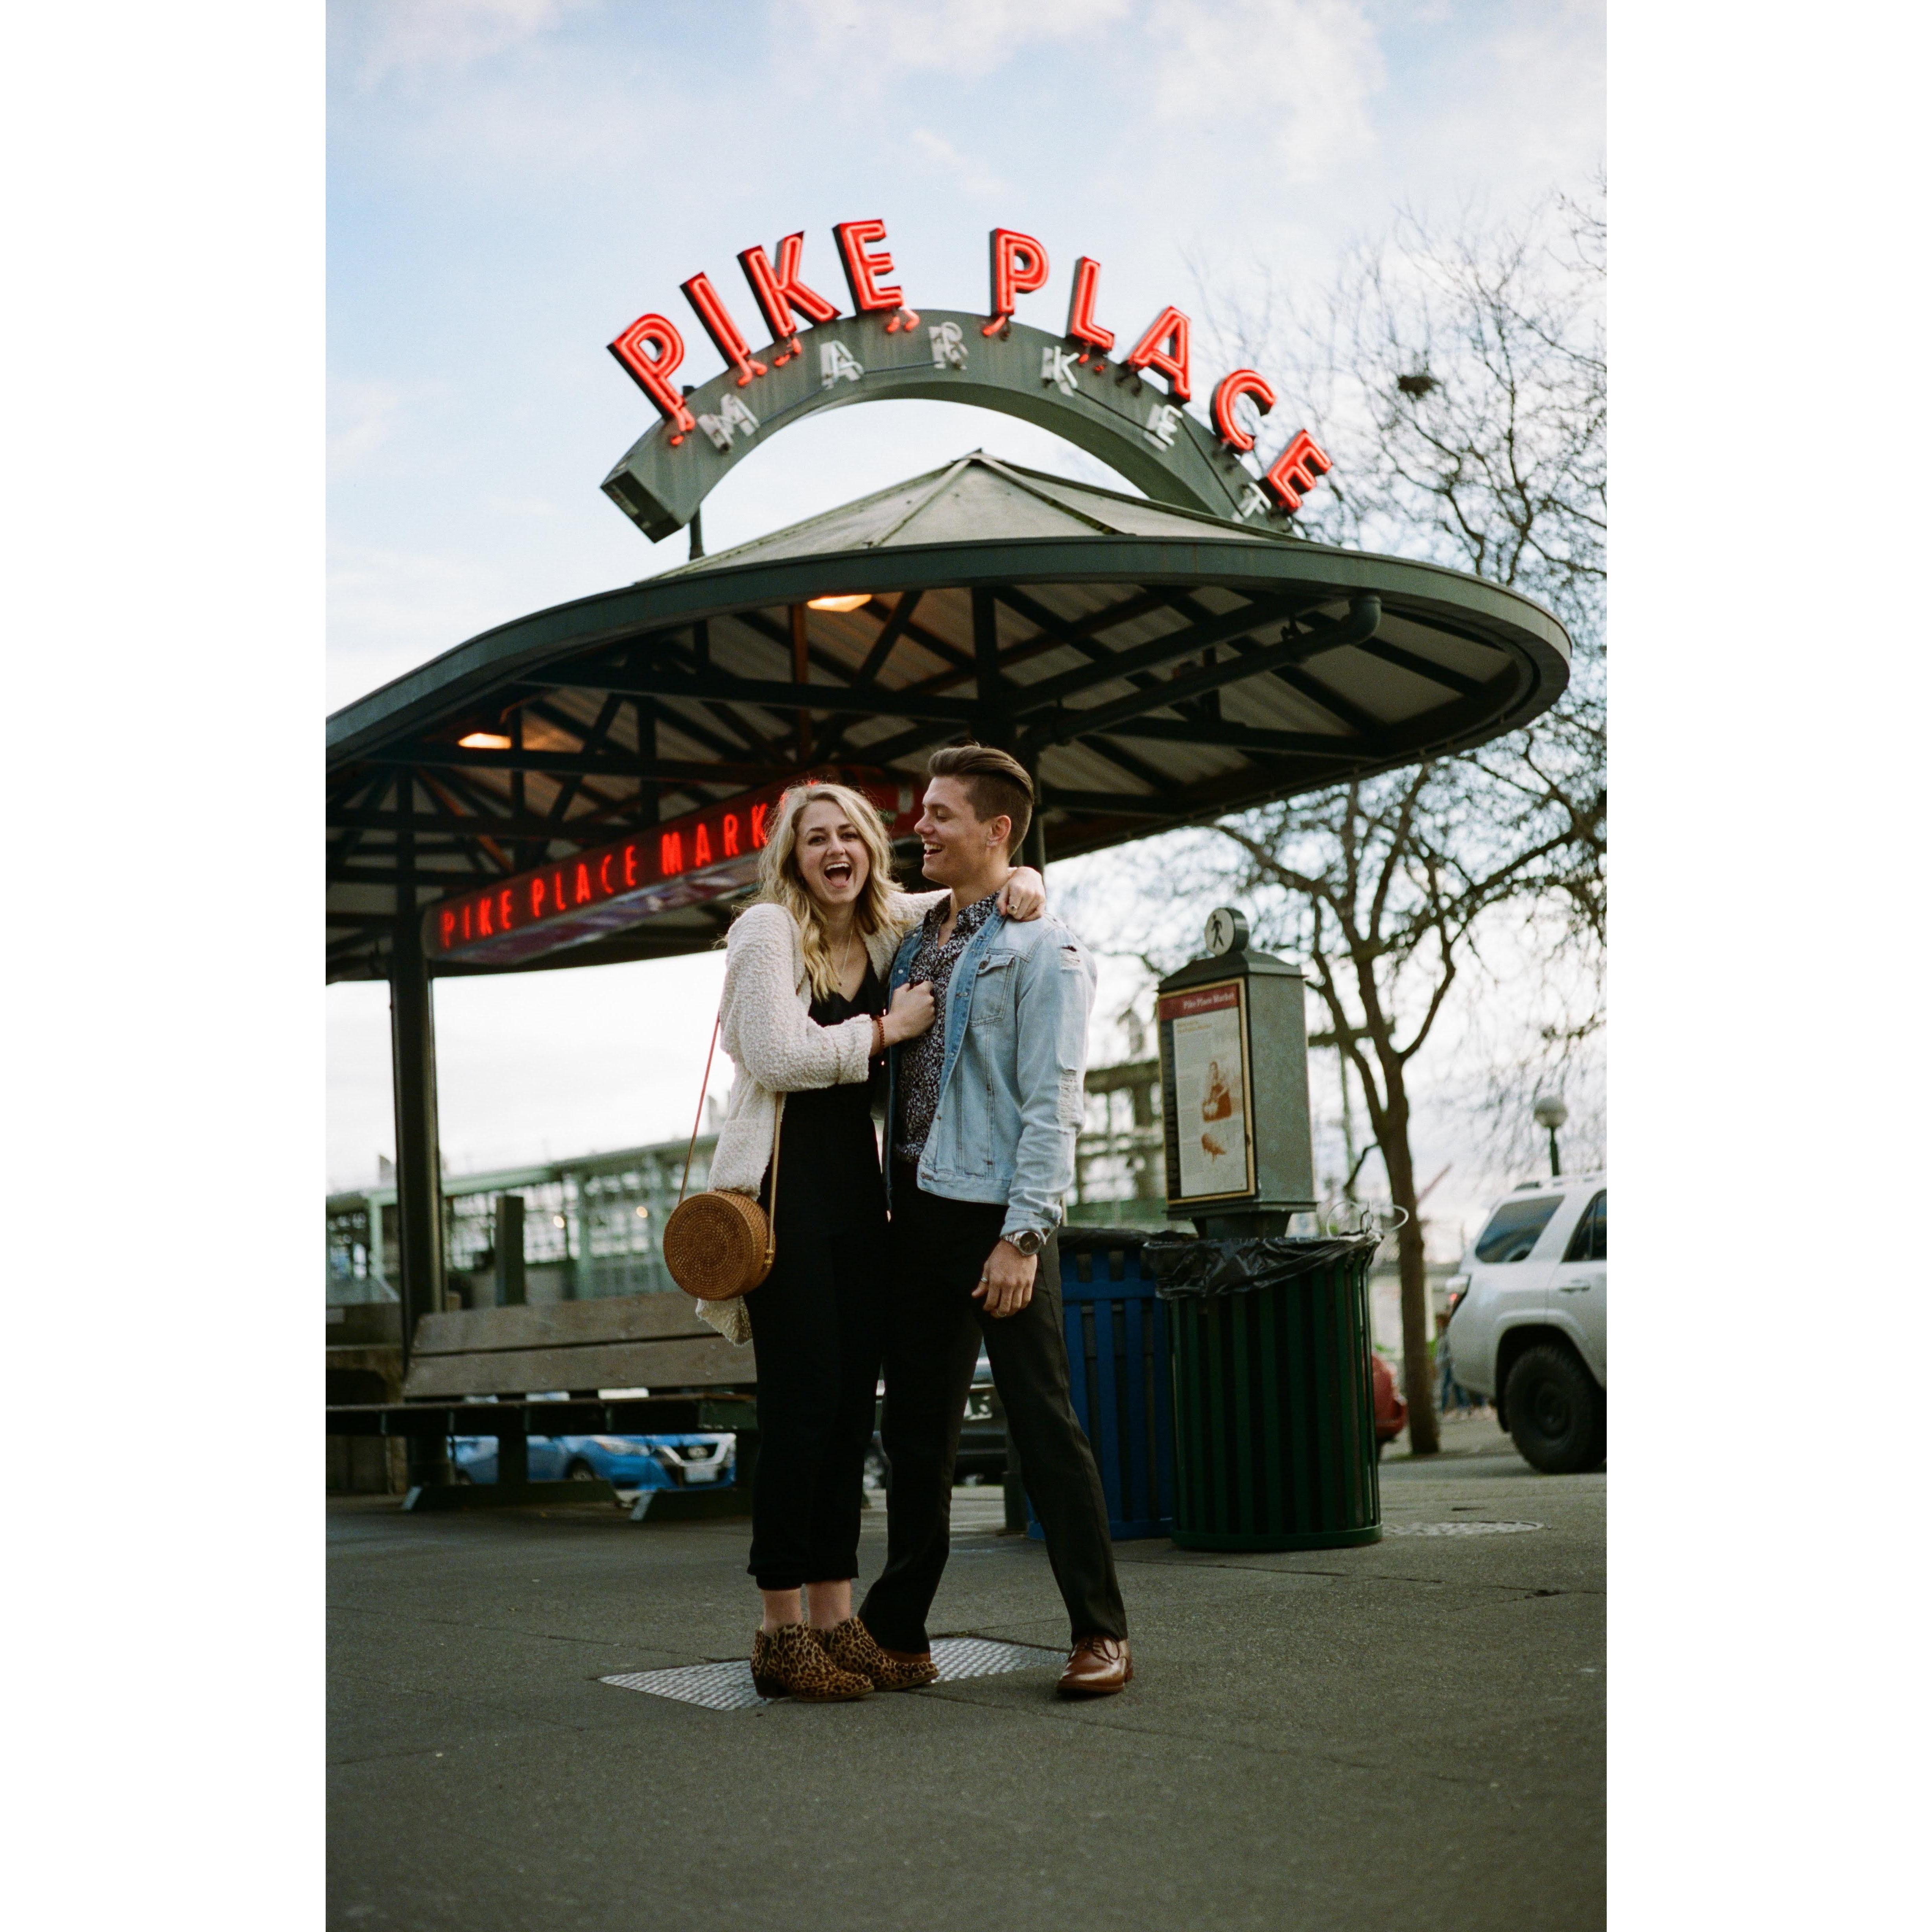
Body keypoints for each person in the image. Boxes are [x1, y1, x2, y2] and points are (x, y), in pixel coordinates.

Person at [702, 780, 1045, 1702]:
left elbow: (975, 890)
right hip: (783, 1195)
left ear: (868, 845)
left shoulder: (884, 923)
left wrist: (1027, 882)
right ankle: (779, 1631)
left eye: (848, 831)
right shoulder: (767, 930)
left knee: (852, 1404)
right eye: (814, 838)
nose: (834, 848)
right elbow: (775, 1053)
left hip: (859, 1197)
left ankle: (835, 1616)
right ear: (792, 855)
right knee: (803, 1406)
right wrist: (886, 1029)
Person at [858, 744, 1133, 1698]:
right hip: (917, 1216)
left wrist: (1023, 1235)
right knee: (919, 1436)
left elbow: (1052, 1101)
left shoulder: (1044, 950)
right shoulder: (912, 934)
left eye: (939, 814)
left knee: (1042, 1423)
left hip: (995, 1218)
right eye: (922, 811)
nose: (919, 827)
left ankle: (1100, 1630)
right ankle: (897, 1630)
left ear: (996, 829)